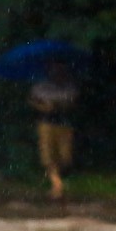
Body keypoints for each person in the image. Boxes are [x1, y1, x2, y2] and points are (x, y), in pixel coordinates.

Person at [30, 60, 79, 200]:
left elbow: (73, 101)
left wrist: (59, 105)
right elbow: (33, 101)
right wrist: (44, 106)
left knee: (65, 156)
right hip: (46, 123)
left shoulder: (69, 87)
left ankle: (58, 182)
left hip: (64, 124)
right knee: (47, 155)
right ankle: (57, 184)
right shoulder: (41, 87)